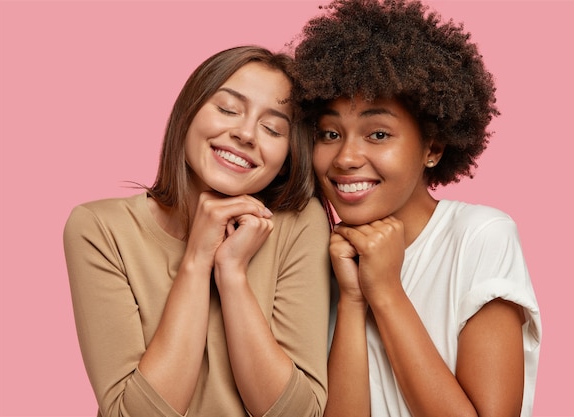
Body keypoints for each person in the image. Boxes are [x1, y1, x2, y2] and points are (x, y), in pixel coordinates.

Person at [291, 1, 542, 416]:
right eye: (330, 133)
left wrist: (386, 292)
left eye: (377, 134)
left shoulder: (479, 237)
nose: (346, 157)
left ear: (433, 148)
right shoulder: (317, 254)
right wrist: (353, 300)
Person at [63, 46, 331, 417]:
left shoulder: (299, 224)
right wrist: (196, 260)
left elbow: (300, 414)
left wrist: (233, 274)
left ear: (287, 158)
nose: (245, 134)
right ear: (187, 113)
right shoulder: (100, 229)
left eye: (272, 128)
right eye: (227, 109)